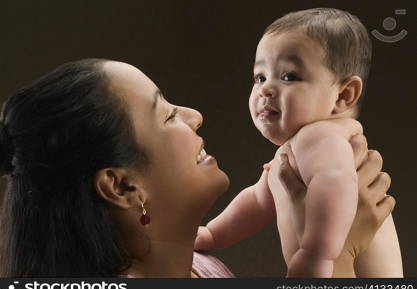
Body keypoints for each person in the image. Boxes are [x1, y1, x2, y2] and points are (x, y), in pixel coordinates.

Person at [0, 58, 395, 277]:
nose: (195, 115)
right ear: (122, 187)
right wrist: (340, 253)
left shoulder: (199, 267)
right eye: (168, 115)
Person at [194, 8, 402, 277]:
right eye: (260, 77)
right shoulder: (299, 147)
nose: (265, 89)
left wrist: (318, 256)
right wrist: (214, 233)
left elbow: (336, 183)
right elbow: (257, 201)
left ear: (343, 95)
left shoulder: (322, 137)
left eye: (289, 76)